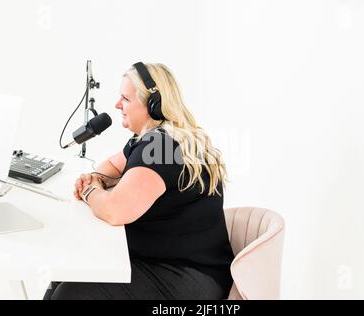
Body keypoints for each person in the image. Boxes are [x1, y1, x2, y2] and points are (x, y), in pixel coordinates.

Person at [44, 62, 234, 300]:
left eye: (125, 98)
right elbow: (112, 166)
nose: (117, 105)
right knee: (67, 274)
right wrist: (98, 180)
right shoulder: (155, 139)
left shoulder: (160, 147)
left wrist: (90, 190)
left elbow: (115, 211)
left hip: (188, 277)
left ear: (153, 105)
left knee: (71, 295)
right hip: (171, 263)